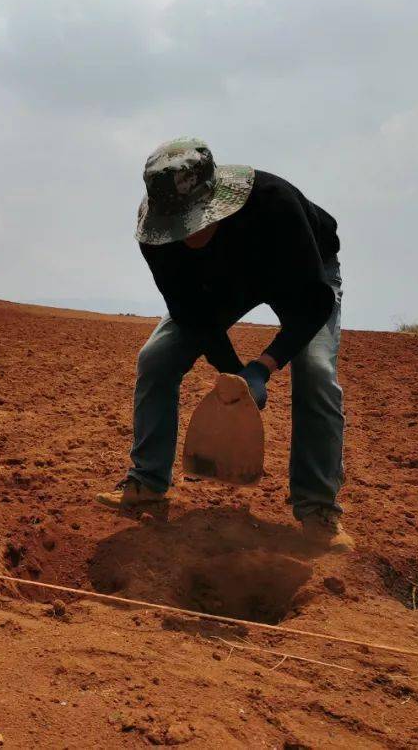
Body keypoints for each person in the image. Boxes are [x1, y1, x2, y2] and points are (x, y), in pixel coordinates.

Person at [96, 137, 351, 552]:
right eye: (177, 226)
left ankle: (318, 507)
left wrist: (263, 367)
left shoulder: (274, 205)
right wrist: (232, 372)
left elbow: (313, 302)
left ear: (218, 202)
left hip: (300, 274)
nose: (186, 236)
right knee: (156, 359)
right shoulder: (156, 239)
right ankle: (147, 482)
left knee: (317, 372)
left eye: (195, 222)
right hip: (223, 283)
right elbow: (192, 313)